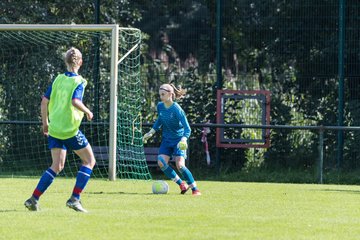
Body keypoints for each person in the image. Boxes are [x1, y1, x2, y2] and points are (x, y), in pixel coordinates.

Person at [24, 47, 96, 213]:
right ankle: (74, 199)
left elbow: (44, 101)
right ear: (80, 62)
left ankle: (33, 199)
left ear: (66, 61)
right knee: (89, 161)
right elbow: (75, 101)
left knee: (56, 166)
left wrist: (45, 124)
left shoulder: (57, 79)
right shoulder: (80, 81)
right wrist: (88, 111)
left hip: (55, 129)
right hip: (69, 130)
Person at [143, 83, 201, 196]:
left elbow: (187, 129)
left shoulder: (177, 109)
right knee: (161, 162)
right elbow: (159, 120)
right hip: (166, 140)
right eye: (160, 94)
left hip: (179, 141)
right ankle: (181, 184)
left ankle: (195, 189)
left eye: (163, 94)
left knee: (180, 165)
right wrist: (151, 132)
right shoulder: (160, 106)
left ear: (170, 94)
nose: (161, 97)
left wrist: (184, 140)